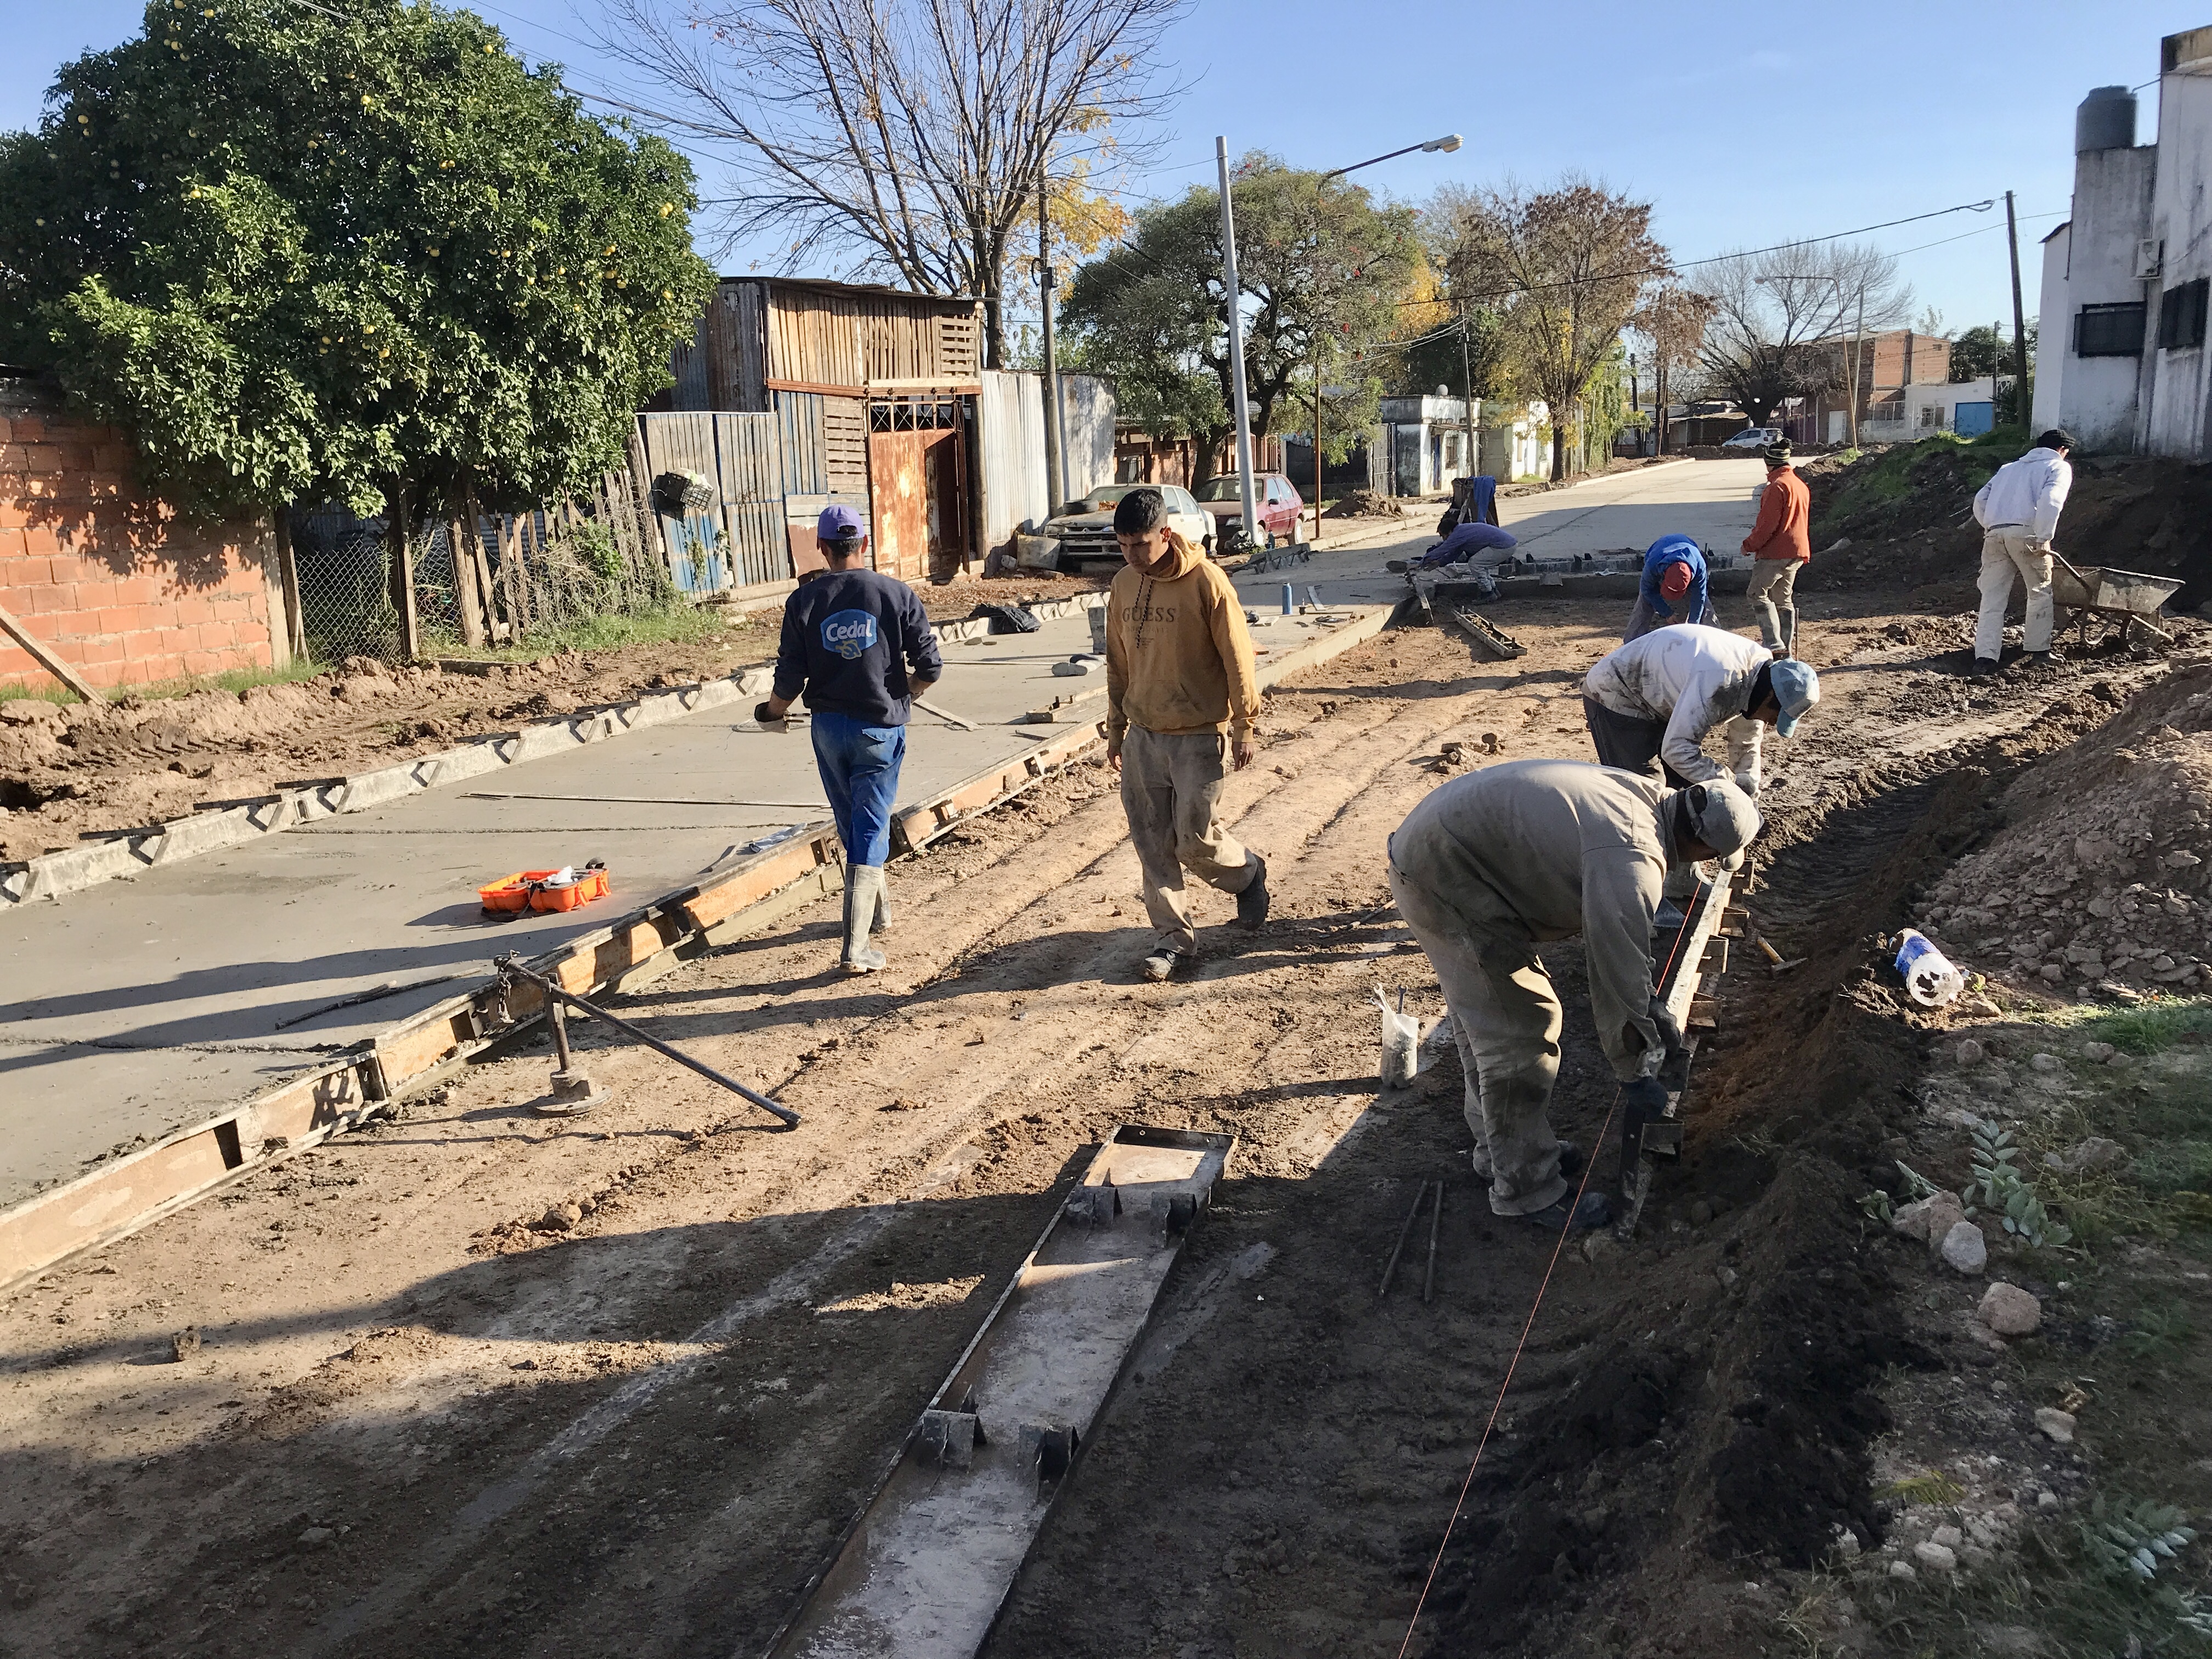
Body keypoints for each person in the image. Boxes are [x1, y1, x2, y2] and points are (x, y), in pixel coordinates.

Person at [1387, 760, 1763, 1229]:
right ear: (1705, 844)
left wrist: (1648, 1007)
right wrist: (1632, 1071)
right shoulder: (1631, 858)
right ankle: (1527, 1190)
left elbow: (1623, 958)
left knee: (1488, 1018)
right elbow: (1615, 970)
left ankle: (1502, 1152)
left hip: (1446, 849)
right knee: (1520, 1030)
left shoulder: (1647, 798)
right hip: (1444, 873)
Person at [758, 504, 943, 974]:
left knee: (854, 822)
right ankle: (856, 949)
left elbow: (789, 676)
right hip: (879, 729)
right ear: (864, 543)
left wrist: (770, 713)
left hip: (828, 730)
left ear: (821, 548)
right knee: (869, 826)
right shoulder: (896, 594)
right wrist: (908, 693)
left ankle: (876, 916)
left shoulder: (803, 602)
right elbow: (930, 666)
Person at [1104, 487, 1268, 981]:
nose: (1133, 555)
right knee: (1152, 842)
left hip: (1198, 734)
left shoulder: (1208, 583)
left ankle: (1247, 874)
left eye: (1142, 544)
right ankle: (1173, 939)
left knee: (1194, 841)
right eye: (1124, 545)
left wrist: (1245, 725)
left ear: (1166, 535)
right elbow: (1117, 663)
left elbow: (1239, 658)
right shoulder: (1122, 585)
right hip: (1144, 736)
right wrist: (1116, 729)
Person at [1582, 623, 1819, 794]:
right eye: (1775, 717)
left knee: (1682, 792)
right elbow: (1677, 750)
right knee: (1647, 793)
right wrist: (1728, 783)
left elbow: (1746, 745)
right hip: (1617, 692)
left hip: (1658, 696)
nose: (1769, 723)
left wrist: (1749, 797)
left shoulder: (1761, 680)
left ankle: (1680, 862)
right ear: (1770, 696)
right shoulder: (1722, 681)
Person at [1970, 428, 2075, 674]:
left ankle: (1985, 658)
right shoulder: (2057, 466)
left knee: (1992, 598)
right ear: (2062, 450)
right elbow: (2051, 501)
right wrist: (2044, 537)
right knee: (2039, 591)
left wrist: (1991, 525)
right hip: (2027, 534)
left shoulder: (2008, 468)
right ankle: (2039, 652)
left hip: (1995, 534)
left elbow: (1980, 500)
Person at [1741, 439, 1810, 656]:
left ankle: (1774, 645)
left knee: (1757, 594)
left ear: (1769, 463)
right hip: (1797, 551)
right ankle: (1786, 649)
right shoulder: (1799, 485)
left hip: (1776, 553)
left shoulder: (1776, 488)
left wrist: (1749, 545)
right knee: (1783, 598)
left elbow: (1767, 526)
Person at [1624, 533, 1713, 641]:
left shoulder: (1700, 567)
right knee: (1644, 602)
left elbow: (1699, 597)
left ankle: (1715, 643)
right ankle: (1631, 642)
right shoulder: (1653, 564)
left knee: (1705, 605)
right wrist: (1667, 613)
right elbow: (1647, 589)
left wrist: (1692, 627)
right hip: (1660, 557)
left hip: (1691, 565)